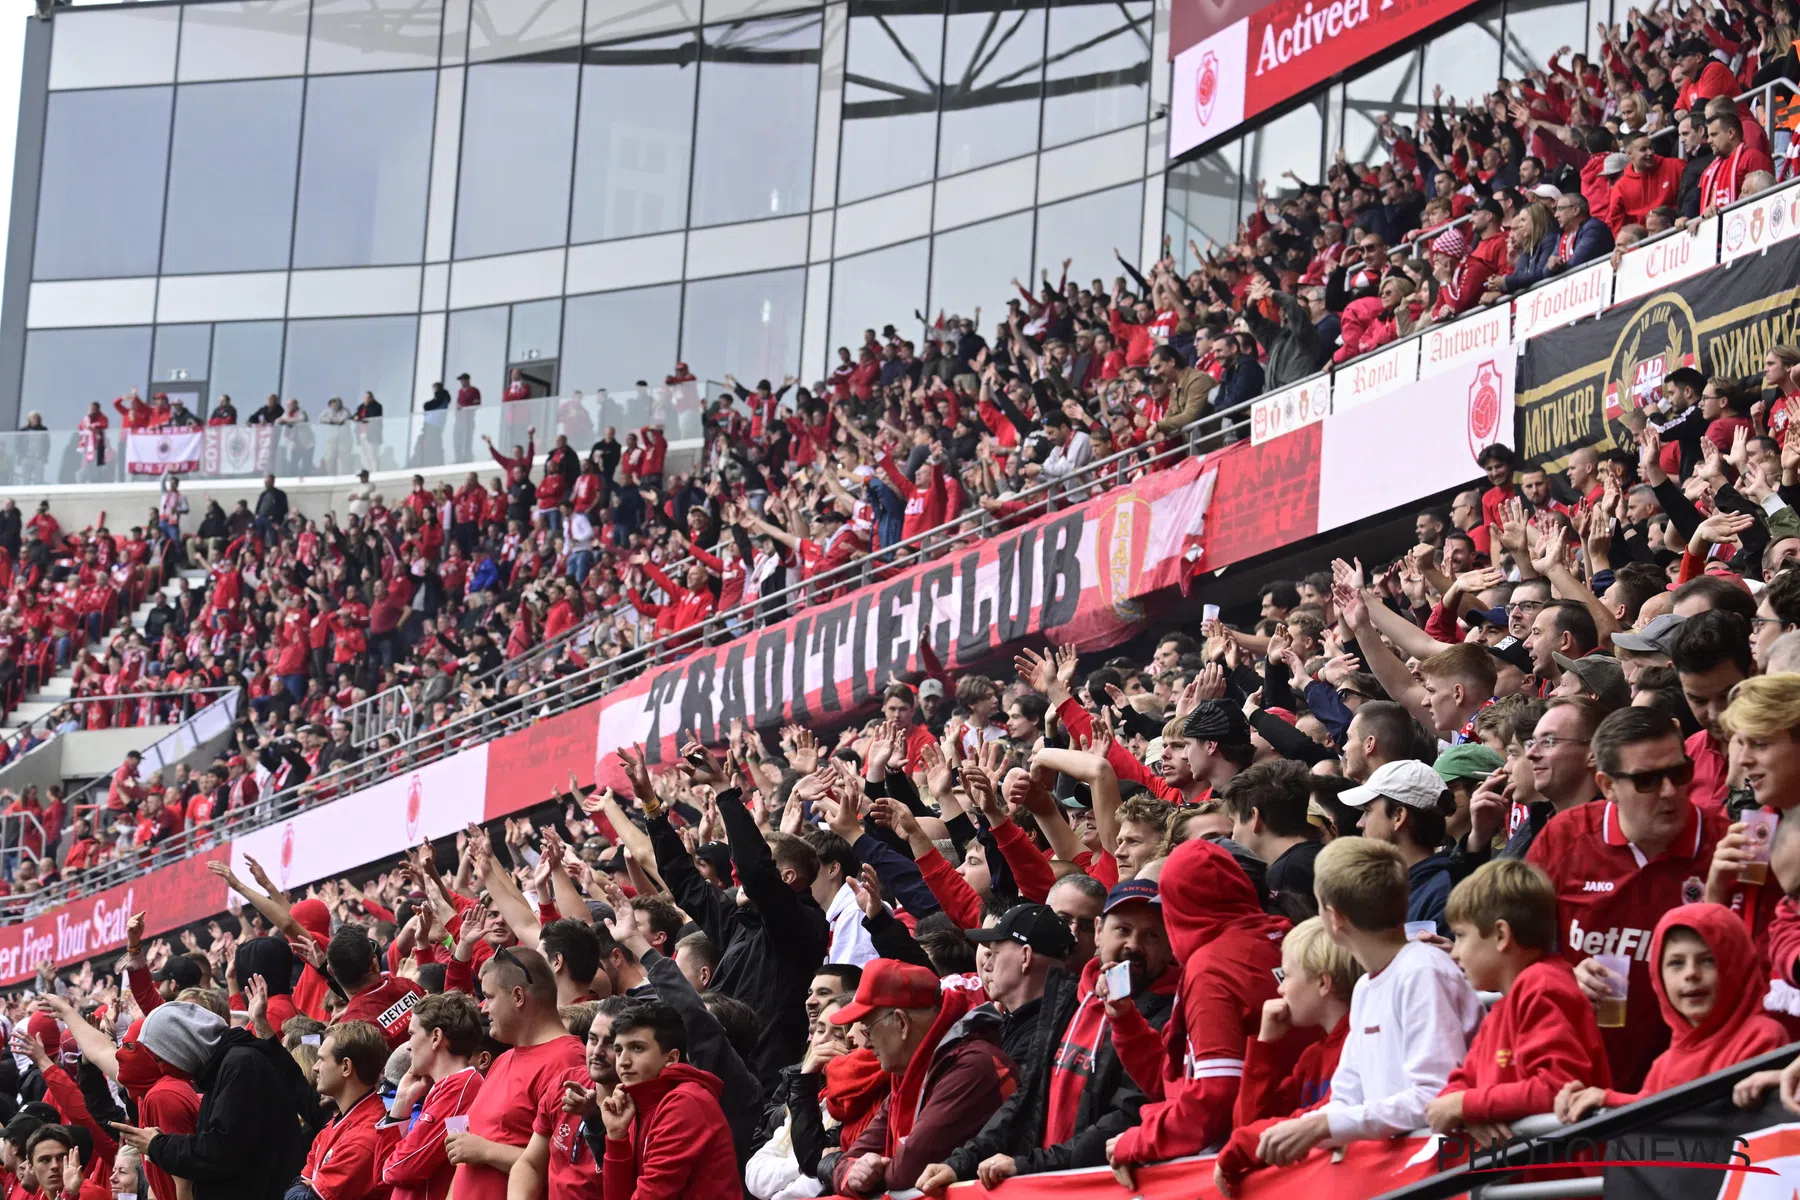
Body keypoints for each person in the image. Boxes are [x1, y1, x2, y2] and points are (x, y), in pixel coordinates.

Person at [1248, 839, 1483, 1177]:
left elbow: (1434, 1096)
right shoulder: (1364, 987)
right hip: (1398, 1169)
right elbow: (1346, 1098)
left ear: (1334, 917)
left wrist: (1322, 1125)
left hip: (1444, 1173)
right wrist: (1291, 1130)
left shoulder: (1423, 972)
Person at [1105, 838, 1290, 1171]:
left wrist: (1137, 1142)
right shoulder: (1284, 936)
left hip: (1251, 1162)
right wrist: (1127, 1022)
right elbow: (1178, 1082)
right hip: (1284, 1140)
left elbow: (1214, 1098)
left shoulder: (1212, 968)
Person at [1426, 860, 1611, 1141]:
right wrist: (1467, 1110)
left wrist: (1467, 1106)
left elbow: (1558, 1086)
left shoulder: (1543, 985)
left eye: (1461, 936)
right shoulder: (1503, 1006)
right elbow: (1463, 1081)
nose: (1454, 953)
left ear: (1501, 935)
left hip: (1565, 1180)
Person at [1556, 903, 1788, 1120]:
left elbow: (1711, 1118)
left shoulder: (1763, 1036)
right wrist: (1586, 1098)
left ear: (1738, 966)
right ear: (1658, 976)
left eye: (1708, 961)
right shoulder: (1663, 1064)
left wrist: (1610, 1100)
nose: (1691, 974)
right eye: (1676, 963)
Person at [828, 960, 1017, 1195]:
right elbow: (851, 1158)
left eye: (868, 1029)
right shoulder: (907, 1070)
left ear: (901, 1023)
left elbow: (907, 1172)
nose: (865, 1043)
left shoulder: (972, 1066)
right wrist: (853, 1172)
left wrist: (873, 1176)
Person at [1212, 917, 1361, 1194]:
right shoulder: (1313, 1057)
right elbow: (1247, 1127)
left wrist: (1247, 1141)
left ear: (1323, 983)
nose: (1280, 989)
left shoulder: (1360, 1044)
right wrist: (1265, 1045)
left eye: (1286, 976)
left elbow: (1249, 1137)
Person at [114, 1001, 312, 1200]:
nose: (163, 1070)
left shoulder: (239, 1064)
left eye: (161, 1059)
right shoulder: (218, 1069)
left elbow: (222, 1151)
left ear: (182, 1044)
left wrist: (158, 1144)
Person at [448, 946, 583, 1200]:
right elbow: (467, 1155)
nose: (483, 1009)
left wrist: (488, 1151)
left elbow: (566, 1165)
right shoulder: (504, 1058)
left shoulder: (569, 1061)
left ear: (518, 996)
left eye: (489, 997)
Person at [599, 999, 740, 1200]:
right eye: (619, 1050)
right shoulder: (637, 1102)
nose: (623, 1061)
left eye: (637, 1048)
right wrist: (616, 1136)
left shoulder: (686, 1103)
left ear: (672, 1058)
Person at [379, 992, 486, 1200]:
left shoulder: (461, 1089)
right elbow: (382, 1174)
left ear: (436, 1037)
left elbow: (399, 1169)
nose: (408, 1046)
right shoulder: (446, 1087)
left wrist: (391, 1165)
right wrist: (401, 1105)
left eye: (411, 1034)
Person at [1342, 759, 1457, 935]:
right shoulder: (1395, 888)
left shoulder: (1443, 893)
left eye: (1368, 810)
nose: (1360, 823)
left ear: (1398, 816)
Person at [296, 1021, 391, 1200]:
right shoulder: (336, 1122)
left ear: (346, 1067)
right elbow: (298, 1184)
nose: (315, 1067)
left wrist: (304, 1190)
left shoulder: (364, 1137)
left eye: (322, 1059)